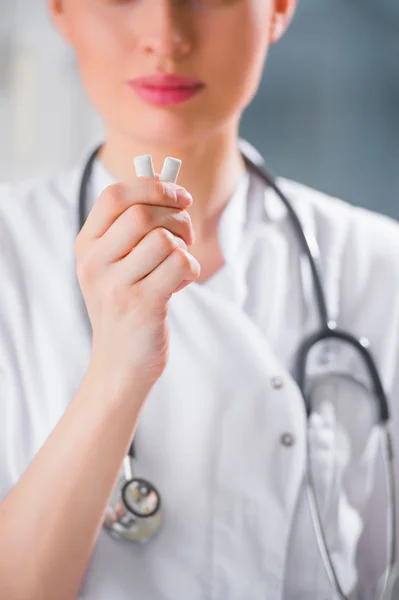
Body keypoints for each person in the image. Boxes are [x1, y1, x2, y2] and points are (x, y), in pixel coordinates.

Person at [0, 1, 398, 599]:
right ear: (60, 8)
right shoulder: (10, 254)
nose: (167, 36)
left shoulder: (380, 268)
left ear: (279, 9)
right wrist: (117, 373)